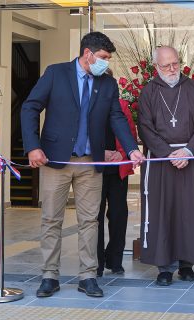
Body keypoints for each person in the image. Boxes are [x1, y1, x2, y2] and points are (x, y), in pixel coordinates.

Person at [21, 32, 144, 298]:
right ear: (87, 54)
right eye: (103, 57)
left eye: (108, 59)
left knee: (90, 220)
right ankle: (49, 276)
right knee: (51, 219)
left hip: (91, 162)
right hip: (56, 159)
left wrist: (132, 149)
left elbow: (117, 119)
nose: (106, 63)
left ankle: (88, 275)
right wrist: (33, 146)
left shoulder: (108, 84)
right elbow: (30, 107)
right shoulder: (56, 73)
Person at [137, 46, 194, 286]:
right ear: (156, 67)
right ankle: (164, 267)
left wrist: (188, 151)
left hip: (191, 159)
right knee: (163, 213)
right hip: (161, 162)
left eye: (175, 63)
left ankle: (187, 264)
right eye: (166, 65)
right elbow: (145, 128)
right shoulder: (148, 92)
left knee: (189, 212)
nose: (172, 69)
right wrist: (169, 154)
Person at [97, 96, 138, 277]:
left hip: (117, 169)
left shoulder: (121, 105)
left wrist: (120, 154)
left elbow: (130, 133)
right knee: (94, 218)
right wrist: (100, 153)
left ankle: (115, 260)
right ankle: (96, 263)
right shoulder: (87, 101)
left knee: (118, 215)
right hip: (94, 169)